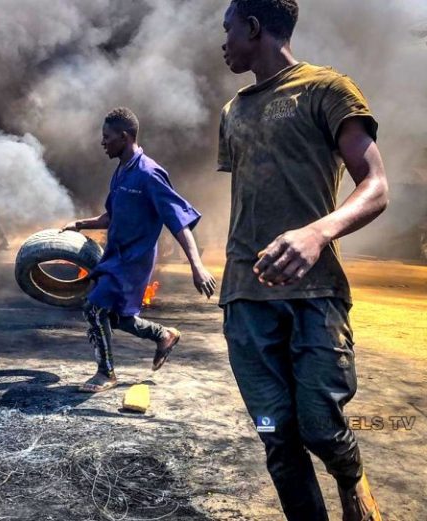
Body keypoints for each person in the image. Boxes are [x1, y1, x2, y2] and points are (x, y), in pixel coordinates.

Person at [218, 1, 388, 519]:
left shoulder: (327, 90)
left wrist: (318, 232)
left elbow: (376, 186)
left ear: (252, 27)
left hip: (315, 293)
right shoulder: (232, 111)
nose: (223, 43)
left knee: (319, 426)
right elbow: (252, 198)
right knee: (276, 437)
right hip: (246, 299)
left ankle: (350, 477)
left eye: (227, 30)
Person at [62, 107, 216, 393]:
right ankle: (163, 334)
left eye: (107, 137)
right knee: (116, 317)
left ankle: (106, 373)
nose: (102, 142)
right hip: (116, 255)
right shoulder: (121, 171)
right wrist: (80, 224)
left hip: (134, 259)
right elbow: (110, 216)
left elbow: (178, 222)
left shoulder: (150, 174)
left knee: (94, 308)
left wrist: (197, 266)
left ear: (124, 136)